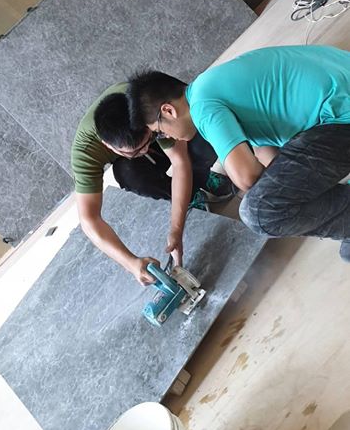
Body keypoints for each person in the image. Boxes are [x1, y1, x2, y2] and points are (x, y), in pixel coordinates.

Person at [127, 45, 350, 260]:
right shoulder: (211, 83)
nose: (167, 137)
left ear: (168, 110)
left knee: (260, 213)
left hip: (341, 116)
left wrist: (272, 193)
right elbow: (268, 153)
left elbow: (247, 177)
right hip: (340, 97)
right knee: (273, 193)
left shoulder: (202, 107)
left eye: (159, 132)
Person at [71, 83, 235, 284]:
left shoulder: (146, 103)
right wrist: (132, 263)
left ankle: (202, 177)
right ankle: (191, 195)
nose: (144, 150)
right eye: (134, 151)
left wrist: (176, 228)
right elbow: (89, 220)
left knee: (198, 138)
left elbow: (180, 161)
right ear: (107, 146)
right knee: (128, 173)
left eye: (146, 142)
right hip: (146, 147)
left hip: (166, 129)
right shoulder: (85, 152)